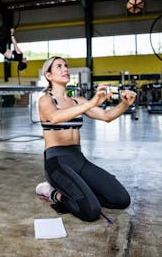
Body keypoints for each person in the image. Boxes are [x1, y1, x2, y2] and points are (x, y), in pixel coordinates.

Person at [36, 56, 137, 222]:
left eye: (66, 66)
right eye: (59, 66)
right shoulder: (46, 100)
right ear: (49, 76)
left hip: (79, 159)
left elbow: (106, 116)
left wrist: (125, 104)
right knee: (91, 212)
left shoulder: (78, 101)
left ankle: (84, 193)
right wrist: (90, 103)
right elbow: (54, 118)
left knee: (121, 199)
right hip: (57, 162)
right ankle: (52, 192)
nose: (65, 69)